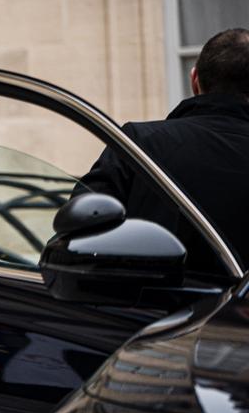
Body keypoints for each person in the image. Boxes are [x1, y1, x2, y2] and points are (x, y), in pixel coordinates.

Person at [81, 27, 249, 271]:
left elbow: (83, 225)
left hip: (153, 307)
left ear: (194, 80)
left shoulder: (139, 143)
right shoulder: (139, 142)